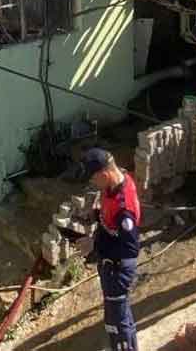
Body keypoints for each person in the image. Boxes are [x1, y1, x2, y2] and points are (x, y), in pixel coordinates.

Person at [78, 148, 141, 351]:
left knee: (116, 324)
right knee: (120, 313)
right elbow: (109, 212)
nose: (94, 185)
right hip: (110, 263)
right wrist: (96, 214)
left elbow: (130, 248)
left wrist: (93, 244)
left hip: (118, 268)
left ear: (104, 174)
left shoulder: (125, 210)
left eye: (94, 180)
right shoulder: (115, 181)